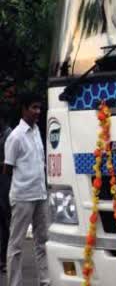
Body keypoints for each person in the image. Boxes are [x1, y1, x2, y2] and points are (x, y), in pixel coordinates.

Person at [4, 92, 48, 286]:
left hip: (41, 194)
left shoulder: (37, 130)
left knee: (43, 242)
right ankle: (14, 283)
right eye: (34, 108)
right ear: (24, 109)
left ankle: (45, 281)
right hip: (22, 197)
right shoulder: (15, 136)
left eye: (39, 107)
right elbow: (7, 169)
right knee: (16, 244)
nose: (38, 111)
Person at [0, 106, 11, 275]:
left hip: (5, 181)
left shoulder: (9, 135)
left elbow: (9, 163)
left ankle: (4, 259)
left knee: (5, 220)